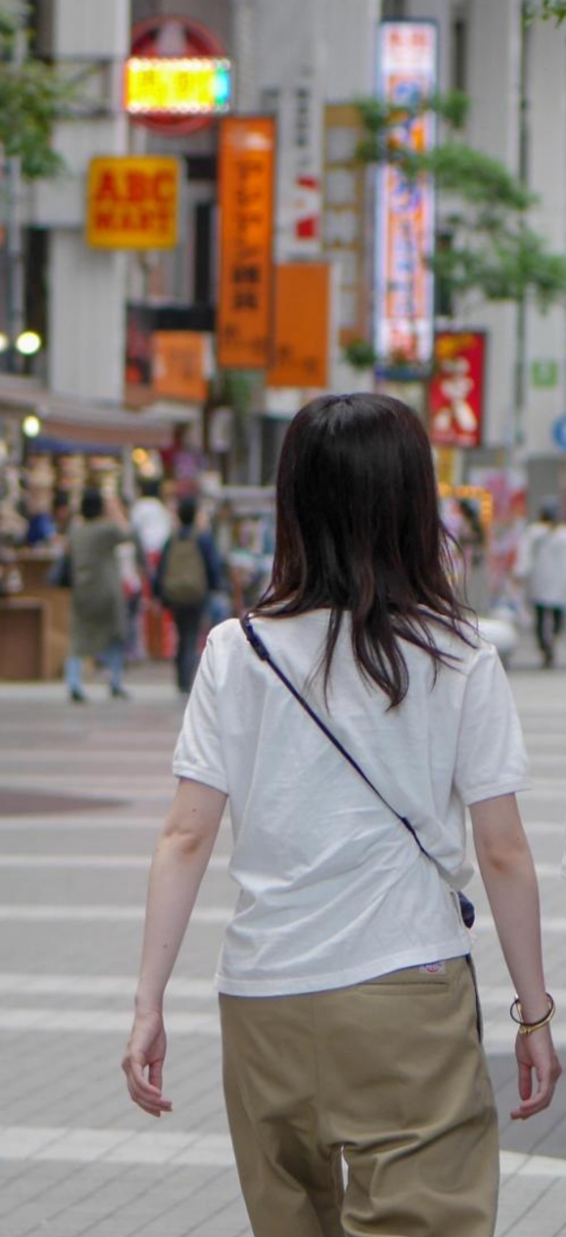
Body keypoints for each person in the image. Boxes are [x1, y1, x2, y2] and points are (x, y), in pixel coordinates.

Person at [123, 394, 560, 1237]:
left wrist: (147, 1002)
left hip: (261, 999)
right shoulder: (457, 653)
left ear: (294, 502)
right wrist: (534, 1015)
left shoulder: (234, 649)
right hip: (404, 993)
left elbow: (185, 834)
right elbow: (501, 853)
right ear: (410, 502)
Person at [64, 487, 131, 702]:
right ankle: (115, 682)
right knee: (114, 636)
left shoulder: (76, 531)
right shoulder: (106, 530)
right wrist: (116, 512)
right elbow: (128, 534)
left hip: (82, 589)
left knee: (79, 637)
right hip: (107, 590)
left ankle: (73, 681)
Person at [154, 495, 221, 694]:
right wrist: (215, 587)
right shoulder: (202, 538)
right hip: (197, 594)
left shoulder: (171, 539)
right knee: (192, 635)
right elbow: (212, 566)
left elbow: (162, 568)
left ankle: (180, 677)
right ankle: (187, 678)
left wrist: (160, 594)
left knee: (181, 634)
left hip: (174, 594)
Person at [515, 501, 566, 667]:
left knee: (557, 617)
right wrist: (521, 572)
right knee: (541, 616)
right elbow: (526, 553)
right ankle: (545, 647)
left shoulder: (562, 534)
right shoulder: (535, 533)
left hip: (559, 581)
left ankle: (550, 641)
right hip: (541, 580)